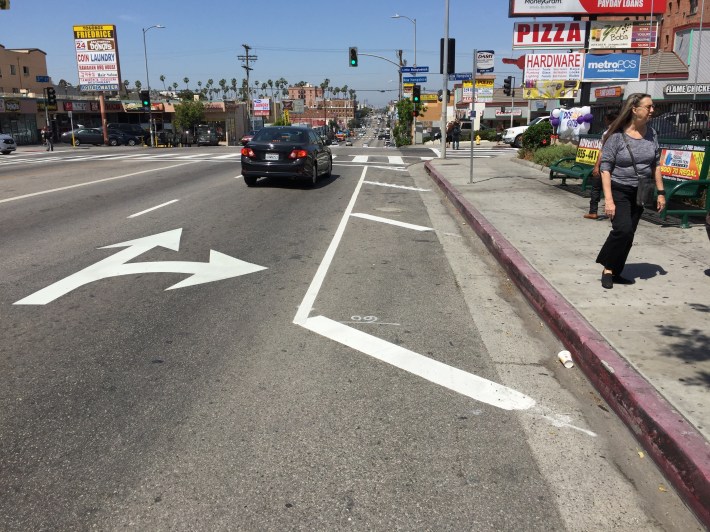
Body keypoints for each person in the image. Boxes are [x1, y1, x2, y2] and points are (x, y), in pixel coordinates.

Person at [596, 93, 666, 289]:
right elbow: (605, 169)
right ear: (635, 109)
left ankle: (616, 271)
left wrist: (661, 193)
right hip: (619, 189)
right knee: (623, 229)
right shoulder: (616, 136)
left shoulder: (652, 134)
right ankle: (608, 269)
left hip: (641, 191)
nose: (652, 110)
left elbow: (656, 165)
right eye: (649, 107)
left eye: (653, 107)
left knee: (629, 233)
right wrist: (608, 200)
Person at [585, 110, 618, 220]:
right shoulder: (623, 132)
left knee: (596, 187)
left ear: (607, 119)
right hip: (617, 167)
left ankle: (593, 211)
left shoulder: (607, 133)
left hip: (606, 165)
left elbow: (602, 151)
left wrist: (596, 166)